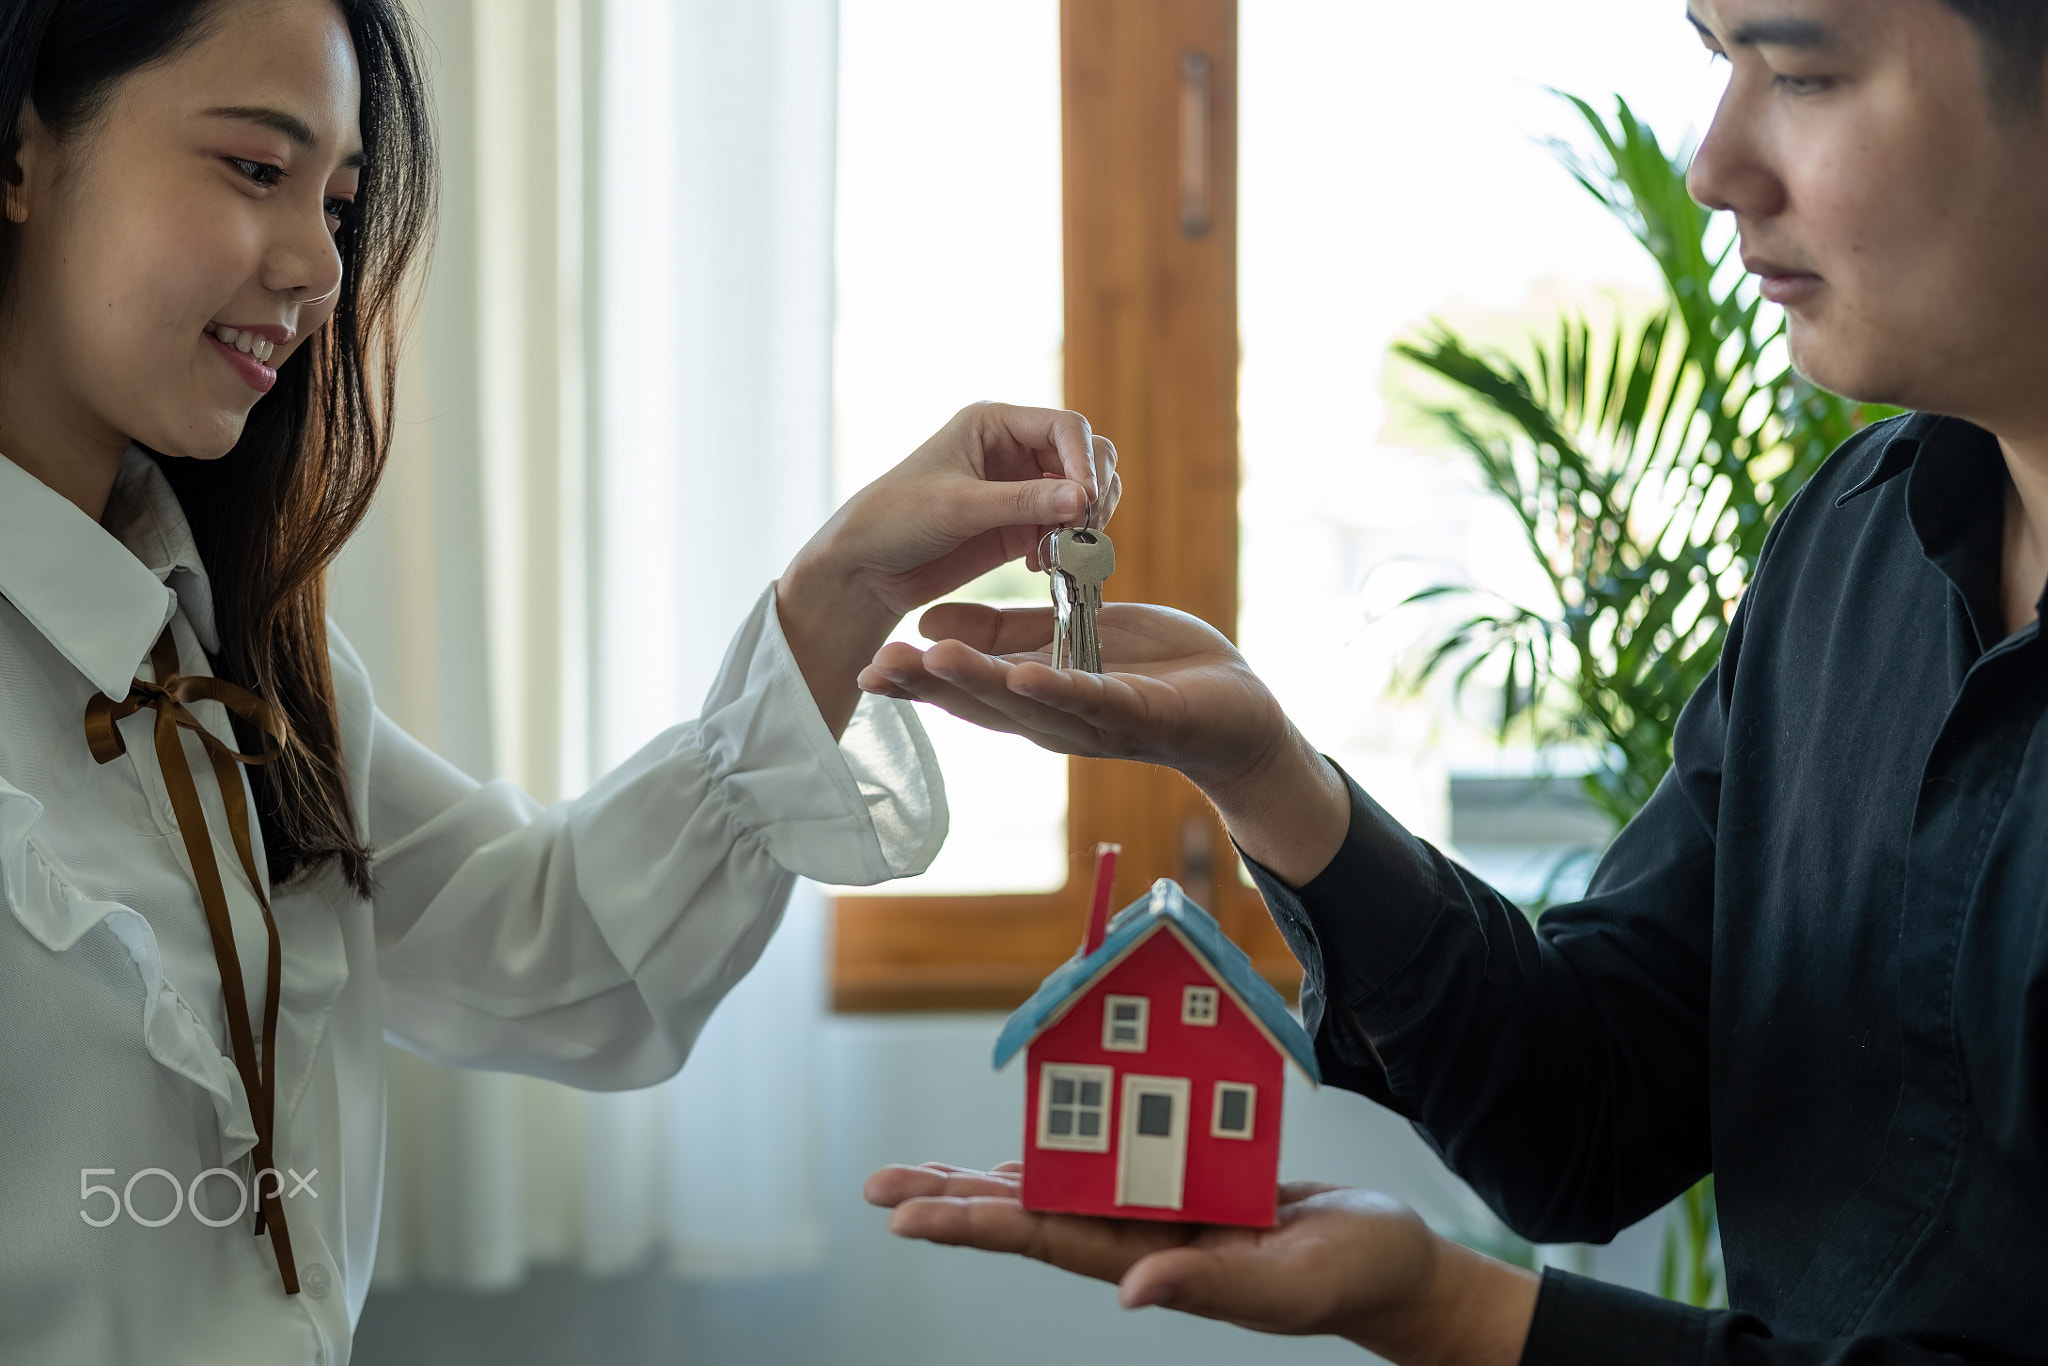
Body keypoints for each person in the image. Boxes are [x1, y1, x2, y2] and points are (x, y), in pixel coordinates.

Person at [862, 0, 2048, 1361]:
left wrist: (1453, 1312)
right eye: (1717, 64)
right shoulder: (1848, 549)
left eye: (1800, 73)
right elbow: (1588, 1107)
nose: (1715, 165)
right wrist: (1269, 775)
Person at [0, 0, 1117, 1361]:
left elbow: (560, 953)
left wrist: (839, 593)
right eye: (254, 168)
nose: (315, 261)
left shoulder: (244, 670)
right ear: (21, 151)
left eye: (341, 202)